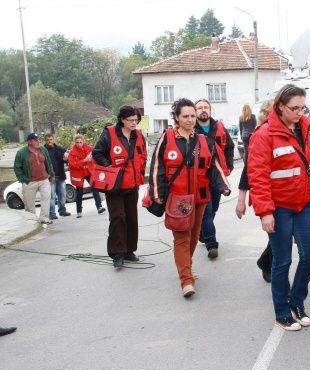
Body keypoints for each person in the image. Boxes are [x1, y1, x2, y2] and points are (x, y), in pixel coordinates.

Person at [247, 85, 310, 331]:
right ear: (280, 106)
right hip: (278, 207)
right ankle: (282, 311)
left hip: (304, 203)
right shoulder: (264, 134)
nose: (300, 112)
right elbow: (257, 176)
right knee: (282, 261)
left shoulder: (307, 128)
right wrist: (265, 212)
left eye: (303, 107)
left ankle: (297, 302)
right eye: (294, 108)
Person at [150, 98, 231, 297]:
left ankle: (186, 266)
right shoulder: (167, 138)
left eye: (192, 116)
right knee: (181, 237)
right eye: (185, 116)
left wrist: (224, 186)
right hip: (177, 199)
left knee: (194, 237)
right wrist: (157, 192)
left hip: (200, 197)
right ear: (176, 117)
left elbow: (215, 166)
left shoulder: (204, 140)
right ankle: (186, 280)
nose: (189, 120)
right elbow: (157, 166)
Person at [93, 106, 147, 268]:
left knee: (131, 218)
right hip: (115, 185)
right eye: (131, 120)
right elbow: (97, 153)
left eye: (136, 120)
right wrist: (110, 167)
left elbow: (143, 154)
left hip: (133, 183)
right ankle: (117, 253)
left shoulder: (138, 135)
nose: (134, 123)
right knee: (118, 217)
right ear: (122, 120)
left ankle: (129, 250)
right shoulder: (109, 134)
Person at [236, 99, 274, 283]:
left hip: (286, 195)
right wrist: (241, 200)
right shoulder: (260, 135)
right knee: (277, 236)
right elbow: (248, 170)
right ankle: (268, 266)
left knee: (280, 236)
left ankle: (265, 261)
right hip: (265, 195)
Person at [195, 99, 235, 259]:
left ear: (210, 110)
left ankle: (202, 232)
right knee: (207, 211)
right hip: (200, 178)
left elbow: (229, 147)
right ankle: (212, 244)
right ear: (195, 111)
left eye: (206, 107)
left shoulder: (219, 127)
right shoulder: (191, 129)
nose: (203, 110)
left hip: (217, 177)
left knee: (214, 208)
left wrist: (229, 166)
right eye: (200, 108)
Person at [13, 132, 54, 225]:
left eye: (38, 140)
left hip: (44, 179)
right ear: (29, 142)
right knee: (29, 203)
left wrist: (51, 175)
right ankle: (32, 221)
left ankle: (44, 218)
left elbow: (48, 163)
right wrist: (22, 179)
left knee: (46, 198)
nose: (38, 141)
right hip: (30, 181)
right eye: (36, 140)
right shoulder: (21, 153)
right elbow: (17, 167)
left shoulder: (43, 149)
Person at [67, 134, 105, 218]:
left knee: (94, 188)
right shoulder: (72, 152)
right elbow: (73, 164)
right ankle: (79, 211)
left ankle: (99, 206)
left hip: (88, 171)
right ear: (75, 142)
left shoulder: (89, 148)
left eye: (81, 142)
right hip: (79, 173)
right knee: (79, 192)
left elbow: (94, 159)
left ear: (84, 141)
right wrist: (84, 161)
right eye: (77, 142)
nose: (79, 144)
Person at [43, 133, 71, 219]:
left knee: (62, 194)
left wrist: (66, 159)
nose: (49, 141)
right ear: (45, 141)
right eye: (48, 140)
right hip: (50, 177)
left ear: (53, 139)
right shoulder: (43, 150)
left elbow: (66, 160)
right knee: (52, 196)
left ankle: (62, 210)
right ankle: (52, 213)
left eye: (51, 139)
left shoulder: (59, 149)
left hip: (60, 175)